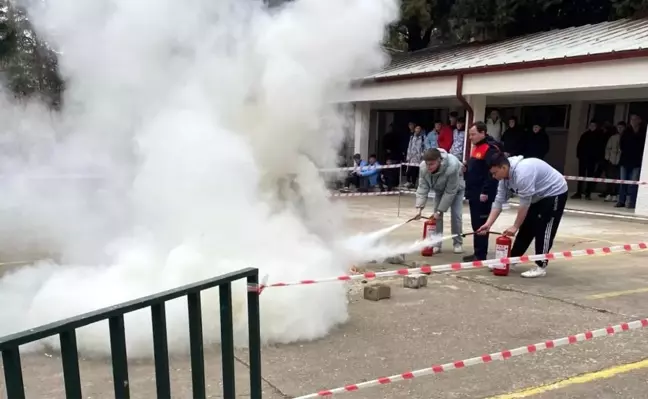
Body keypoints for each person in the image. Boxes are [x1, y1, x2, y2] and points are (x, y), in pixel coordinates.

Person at [476, 152, 568, 278]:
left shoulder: (523, 173)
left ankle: (541, 266)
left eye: (495, 173)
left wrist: (514, 226)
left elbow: (524, 204)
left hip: (554, 192)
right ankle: (512, 260)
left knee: (544, 228)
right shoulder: (504, 180)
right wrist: (488, 224)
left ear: (503, 167)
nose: (494, 176)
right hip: (537, 196)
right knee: (527, 227)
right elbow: (498, 201)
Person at [463, 121, 503, 262]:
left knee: (481, 223)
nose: (471, 137)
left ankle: (480, 255)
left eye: (473, 134)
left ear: (483, 133)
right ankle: (477, 252)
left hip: (482, 194)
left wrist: (485, 191)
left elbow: (491, 173)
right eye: (470, 134)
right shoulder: (478, 147)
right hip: (474, 191)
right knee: (476, 223)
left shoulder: (490, 149)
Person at [414, 148, 465, 254]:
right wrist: (419, 208)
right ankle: (437, 243)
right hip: (439, 189)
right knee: (436, 218)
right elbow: (422, 187)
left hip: (456, 190)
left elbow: (450, 191)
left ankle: (457, 243)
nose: (429, 167)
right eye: (427, 164)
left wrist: (440, 210)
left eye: (432, 164)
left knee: (456, 216)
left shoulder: (452, 166)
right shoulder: (423, 168)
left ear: (439, 160)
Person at [616, 114, 646, 209]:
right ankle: (621, 201)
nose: (633, 121)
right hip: (625, 160)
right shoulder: (626, 131)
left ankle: (632, 202)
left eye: (635, 119)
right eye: (631, 119)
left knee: (633, 183)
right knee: (623, 182)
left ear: (639, 120)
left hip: (636, 161)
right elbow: (622, 145)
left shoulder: (643, 132)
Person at [572, 121, 605, 200]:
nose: (592, 126)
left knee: (590, 176)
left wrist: (598, 158)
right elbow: (579, 146)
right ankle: (579, 192)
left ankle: (588, 193)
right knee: (581, 176)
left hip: (592, 160)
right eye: (591, 125)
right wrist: (579, 155)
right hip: (583, 158)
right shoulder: (585, 135)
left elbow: (601, 148)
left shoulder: (599, 136)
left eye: (594, 125)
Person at [603, 121, 623, 202]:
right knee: (610, 177)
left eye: (621, 128)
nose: (620, 129)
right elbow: (608, 148)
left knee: (618, 178)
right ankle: (609, 193)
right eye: (618, 127)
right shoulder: (613, 137)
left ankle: (616, 194)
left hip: (620, 161)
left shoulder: (625, 137)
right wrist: (608, 157)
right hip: (611, 160)